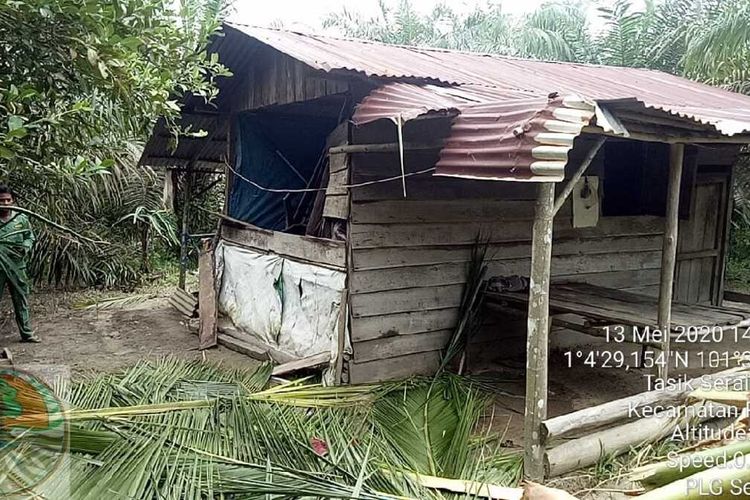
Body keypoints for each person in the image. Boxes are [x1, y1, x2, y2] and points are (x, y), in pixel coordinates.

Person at [0, 184, 40, 343]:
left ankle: (27, 333)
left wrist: (26, 247)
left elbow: (29, 236)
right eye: (1, 200)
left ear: (13, 200)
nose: (5, 203)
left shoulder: (20, 217)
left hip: (17, 265)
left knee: (21, 299)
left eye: (8, 200)